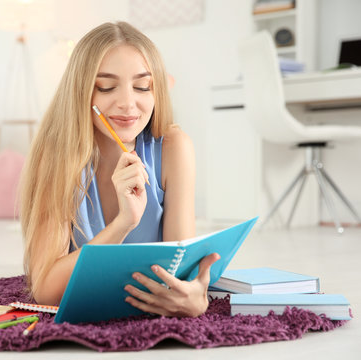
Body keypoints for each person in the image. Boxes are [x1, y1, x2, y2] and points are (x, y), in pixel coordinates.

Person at [19, 21, 219, 318]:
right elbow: (47, 289)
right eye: (106, 86)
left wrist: (193, 297)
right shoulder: (57, 155)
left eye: (142, 86)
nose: (128, 103)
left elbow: (181, 271)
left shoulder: (174, 148)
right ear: (81, 93)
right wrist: (124, 222)